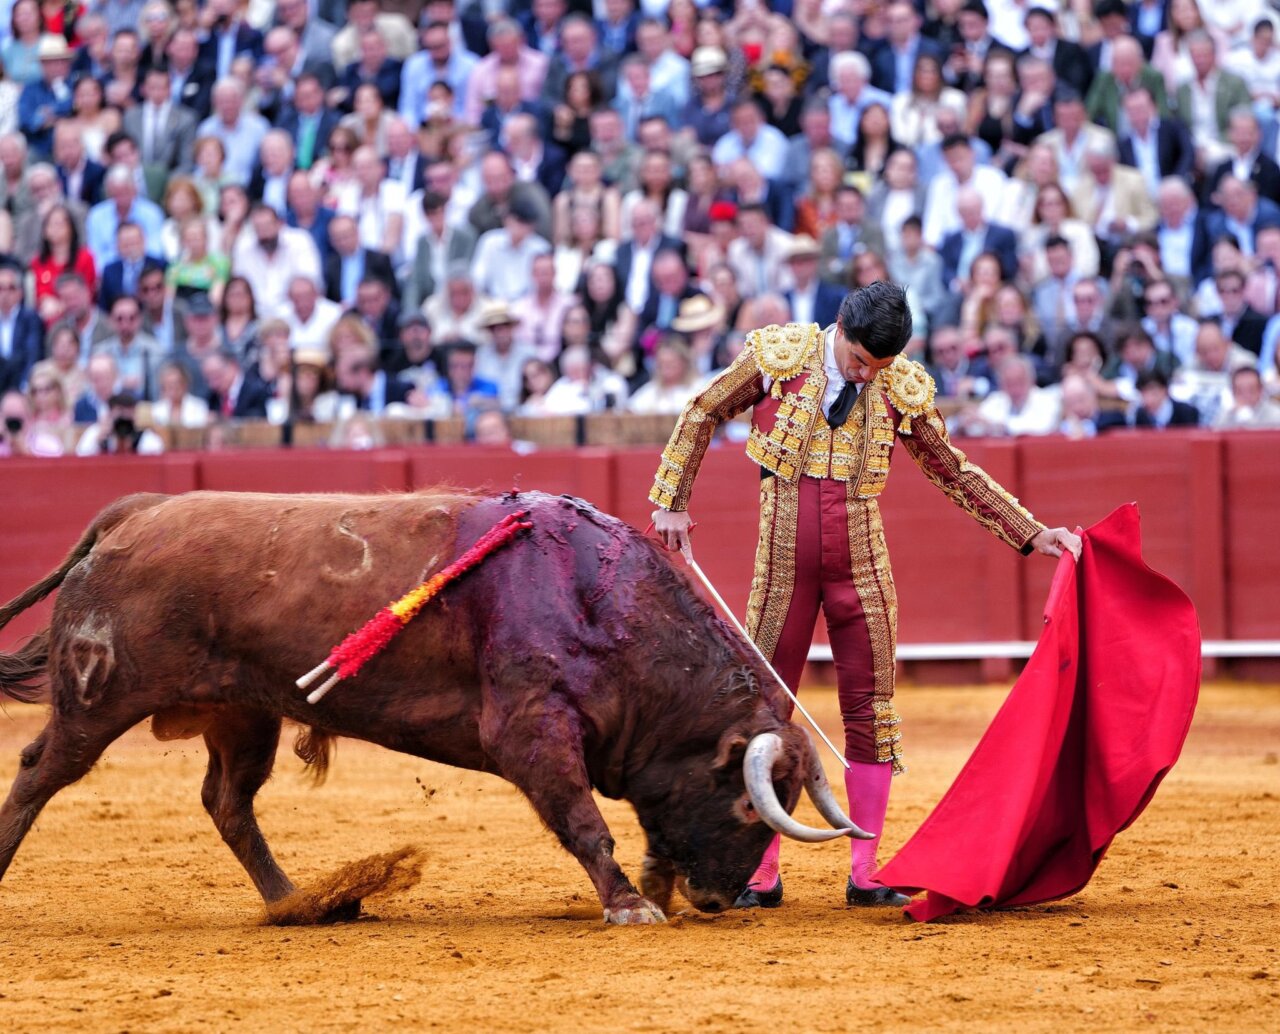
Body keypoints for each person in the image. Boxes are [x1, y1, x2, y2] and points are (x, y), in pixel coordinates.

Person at [649, 281, 1080, 910]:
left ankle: (867, 868)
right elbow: (702, 410)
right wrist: (672, 499)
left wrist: (1031, 531)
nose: (867, 374)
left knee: (872, 713)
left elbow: (951, 470)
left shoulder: (900, 384)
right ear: (841, 327)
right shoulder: (780, 356)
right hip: (781, 568)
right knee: (765, 711)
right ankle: (760, 870)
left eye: (880, 367)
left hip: (863, 566)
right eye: (859, 361)